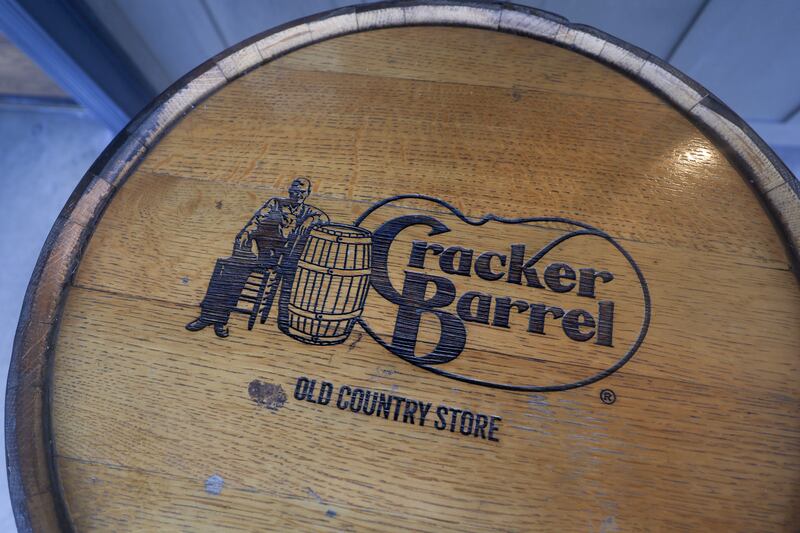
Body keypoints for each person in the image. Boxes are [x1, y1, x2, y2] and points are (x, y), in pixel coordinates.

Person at [186, 177, 328, 337]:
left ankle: (217, 319)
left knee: (236, 270)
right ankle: (213, 318)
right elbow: (256, 221)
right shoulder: (276, 203)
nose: (298, 196)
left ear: (308, 194)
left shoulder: (309, 213)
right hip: (258, 254)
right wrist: (245, 237)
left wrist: (309, 221)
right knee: (228, 270)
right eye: (295, 192)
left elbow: (323, 218)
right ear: (289, 191)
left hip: (281, 261)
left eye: (302, 193)